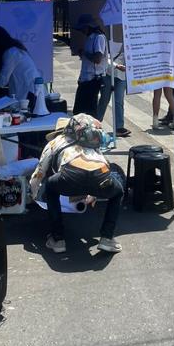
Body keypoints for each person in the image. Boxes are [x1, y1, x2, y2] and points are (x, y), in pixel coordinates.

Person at [29, 114, 124, 254]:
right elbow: (102, 165)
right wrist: (95, 193)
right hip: (101, 175)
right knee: (118, 192)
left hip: (70, 176)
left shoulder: (55, 142)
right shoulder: (89, 140)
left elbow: (40, 172)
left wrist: (33, 192)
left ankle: (58, 239)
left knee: (50, 187)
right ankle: (107, 238)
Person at [0, 26, 40, 109]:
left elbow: (3, 79)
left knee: (25, 112)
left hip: (28, 90)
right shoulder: (15, 49)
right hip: (29, 88)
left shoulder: (11, 53)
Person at [72, 14, 109, 116]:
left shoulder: (99, 37)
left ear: (88, 27)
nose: (82, 31)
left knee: (89, 111)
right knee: (79, 111)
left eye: (83, 28)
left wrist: (84, 53)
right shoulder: (90, 38)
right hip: (85, 79)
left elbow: (98, 58)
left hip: (93, 79)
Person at [96, 38, 131, 138]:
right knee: (104, 99)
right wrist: (116, 65)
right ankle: (96, 123)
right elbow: (104, 58)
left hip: (122, 75)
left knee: (119, 101)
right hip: (108, 73)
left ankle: (119, 127)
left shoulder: (130, 40)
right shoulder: (109, 40)